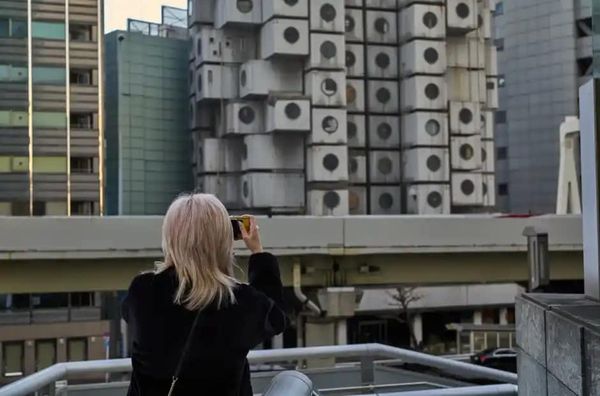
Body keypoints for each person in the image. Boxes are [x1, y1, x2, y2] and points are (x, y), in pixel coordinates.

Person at [122, 193, 285, 396]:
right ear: (221, 241)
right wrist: (258, 253)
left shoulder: (142, 291)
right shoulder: (238, 302)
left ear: (171, 237)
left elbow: (128, 314)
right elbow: (276, 317)